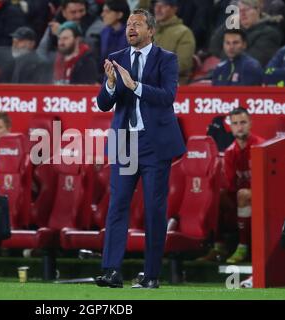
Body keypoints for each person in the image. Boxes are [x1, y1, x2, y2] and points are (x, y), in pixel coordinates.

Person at [95, 9, 186, 289]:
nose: (130, 28)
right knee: (117, 206)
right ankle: (111, 271)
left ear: (151, 30)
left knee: (154, 209)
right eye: (128, 24)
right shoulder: (117, 59)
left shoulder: (166, 59)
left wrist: (135, 86)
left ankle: (151, 275)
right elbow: (103, 104)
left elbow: (168, 96)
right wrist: (111, 85)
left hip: (153, 143)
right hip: (125, 142)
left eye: (137, 24)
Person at [200, 107, 265, 263]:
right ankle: (219, 246)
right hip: (242, 197)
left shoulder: (261, 147)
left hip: (263, 196)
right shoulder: (230, 152)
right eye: (235, 123)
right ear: (231, 126)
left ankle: (243, 247)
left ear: (250, 123)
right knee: (217, 196)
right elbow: (229, 184)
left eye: (243, 122)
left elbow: (266, 184)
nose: (239, 127)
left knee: (243, 194)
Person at [209, 0, 282, 68]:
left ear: (258, 10)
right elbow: (214, 48)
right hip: (226, 73)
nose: (242, 13)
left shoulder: (270, 33)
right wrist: (230, 23)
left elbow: (251, 62)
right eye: (239, 11)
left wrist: (228, 53)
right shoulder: (235, 29)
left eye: (246, 9)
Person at [37, 0, 103, 64]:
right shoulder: (56, 23)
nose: (78, 15)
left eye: (81, 11)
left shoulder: (96, 25)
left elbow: (91, 50)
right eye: (73, 12)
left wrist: (62, 34)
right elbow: (41, 51)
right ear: (64, 13)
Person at [153, 0, 196, 85]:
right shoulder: (149, 31)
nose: (158, 9)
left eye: (163, 6)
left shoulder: (184, 32)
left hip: (173, 84)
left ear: (174, 9)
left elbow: (182, 64)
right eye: (156, 5)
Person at [99, 0, 129, 79]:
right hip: (106, 78)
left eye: (107, 12)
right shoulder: (104, 32)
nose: (102, 15)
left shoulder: (131, 34)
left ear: (119, 15)